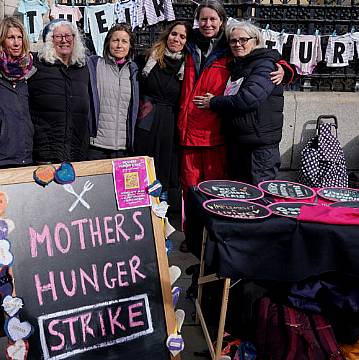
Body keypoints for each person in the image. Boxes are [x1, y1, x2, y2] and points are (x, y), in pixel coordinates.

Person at [177, 0, 292, 253]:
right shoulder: (189, 42)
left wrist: (285, 68)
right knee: (191, 191)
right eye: (203, 19)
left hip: (218, 133)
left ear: (222, 21)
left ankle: (226, 238)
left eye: (213, 19)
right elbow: (162, 48)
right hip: (189, 132)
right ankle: (194, 237)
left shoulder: (231, 48)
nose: (207, 24)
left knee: (222, 192)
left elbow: (266, 57)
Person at [199, 21, 285, 184]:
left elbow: (248, 100)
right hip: (240, 144)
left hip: (259, 149)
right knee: (241, 199)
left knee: (260, 198)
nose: (238, 44)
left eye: (243, 40)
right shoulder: (239, 65)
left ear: (256, 40)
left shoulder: (265, 65)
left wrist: (213, 102)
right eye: (233, 41)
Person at [134, 20, 190, 201]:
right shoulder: (147, 57)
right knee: (142, 163)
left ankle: (161, 212)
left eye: (183, 37)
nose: (177, 39)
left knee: (164, 166)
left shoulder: (188, 66)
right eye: (174, 34)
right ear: (167, 35)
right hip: (146, 118)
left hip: (170, 123)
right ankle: (139, 204)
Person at [28, 19, 90, 163]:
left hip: (76, 151)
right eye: (58, 37)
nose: (64, 41)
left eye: (68, 36)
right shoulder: (36, 65)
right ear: (50, 40)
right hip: (45, 152)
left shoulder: (83, 68)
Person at [0, 16, 35, 169]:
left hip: (26, 154)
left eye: (19, 37)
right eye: (11, 37)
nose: (16, 43)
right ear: (1, 40)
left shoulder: (28, 71)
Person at [87, 23, 139, 160]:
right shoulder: (94, 65)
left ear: (130, 46)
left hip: (123, 148)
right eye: (115, 40)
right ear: (108, 43)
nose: (119, 45)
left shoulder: (134, 71)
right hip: (96, 146)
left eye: (124, 41)